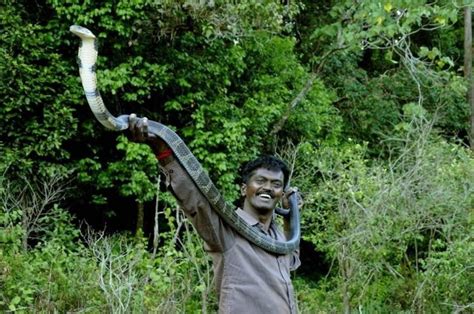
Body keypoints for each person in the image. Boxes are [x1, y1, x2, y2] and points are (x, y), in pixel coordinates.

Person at [129, 114, 301, 314]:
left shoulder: (278, 237)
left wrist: (292, 213)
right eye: (260, 181)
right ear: (244, 189)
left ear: (280, 193)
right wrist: (162, 151)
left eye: (276, 184)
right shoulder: (226, 232)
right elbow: (195, 200)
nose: (268, 188)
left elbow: (292, 261)